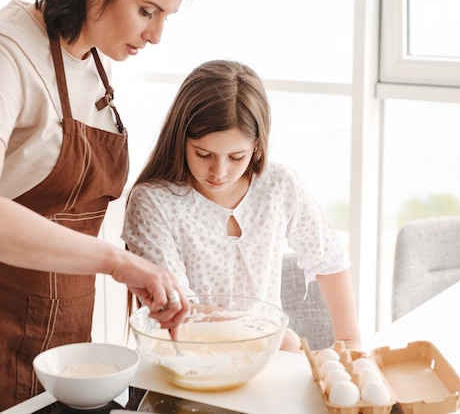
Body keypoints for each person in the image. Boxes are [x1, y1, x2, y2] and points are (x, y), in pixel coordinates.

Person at [0, 0, 190, 412]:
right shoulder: (0, 52)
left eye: (166, 17)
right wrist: (116, 263)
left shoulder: (90, 58)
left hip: (62, 338)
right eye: (147, 10)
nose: (156, 35)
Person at [122, 60, 361, 353]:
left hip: (269, 362)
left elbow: (329, 259)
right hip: (186, 363)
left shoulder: (279, 185)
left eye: (236, 157)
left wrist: (351, 341)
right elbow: (178, 305)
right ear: (180, 139)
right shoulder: (153, 202)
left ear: (257, 146)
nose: (218, 172)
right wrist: (266, 333)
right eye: (203, 154)